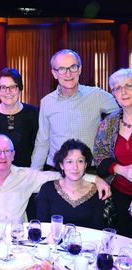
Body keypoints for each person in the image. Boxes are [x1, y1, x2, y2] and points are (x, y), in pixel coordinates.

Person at [0, 134, 110, 226]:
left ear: (13, 155)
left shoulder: (26, 176)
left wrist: (95, 178)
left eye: (7, 151)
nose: (2, 156)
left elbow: (65, 173)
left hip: (18, 242)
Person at [31, 49, 119, 171]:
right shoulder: (46, 102)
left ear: (80, 69)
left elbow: (124, 111)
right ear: (54, 73)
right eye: (62, 69)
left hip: (90, 170)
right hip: (57, 171)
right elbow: (42, 142)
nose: (68, 74)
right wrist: (34, 175)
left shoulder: (97, 95)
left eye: (73, 67)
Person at [94, 68, 132, 238]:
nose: (123, 92)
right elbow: (99, 157)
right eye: (117, 88)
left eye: (128, 86)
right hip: (120, 195)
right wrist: (121, 170)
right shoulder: (108, 124)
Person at [36, 139, 104, 229]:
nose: (75, 167)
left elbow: (97, 230)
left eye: (80, 161)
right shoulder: (47, 189)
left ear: (85, 165)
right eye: (69, 162)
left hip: (86, 242)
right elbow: (41, 226)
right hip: (54, 241)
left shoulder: (96, 191)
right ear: (61, 165)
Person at [0, 67, 39, 167]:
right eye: (3, 87)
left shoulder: (33, 113)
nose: (8, 91)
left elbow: (39, 147)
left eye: (13, 87)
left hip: (26, 174)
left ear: (20, 89)